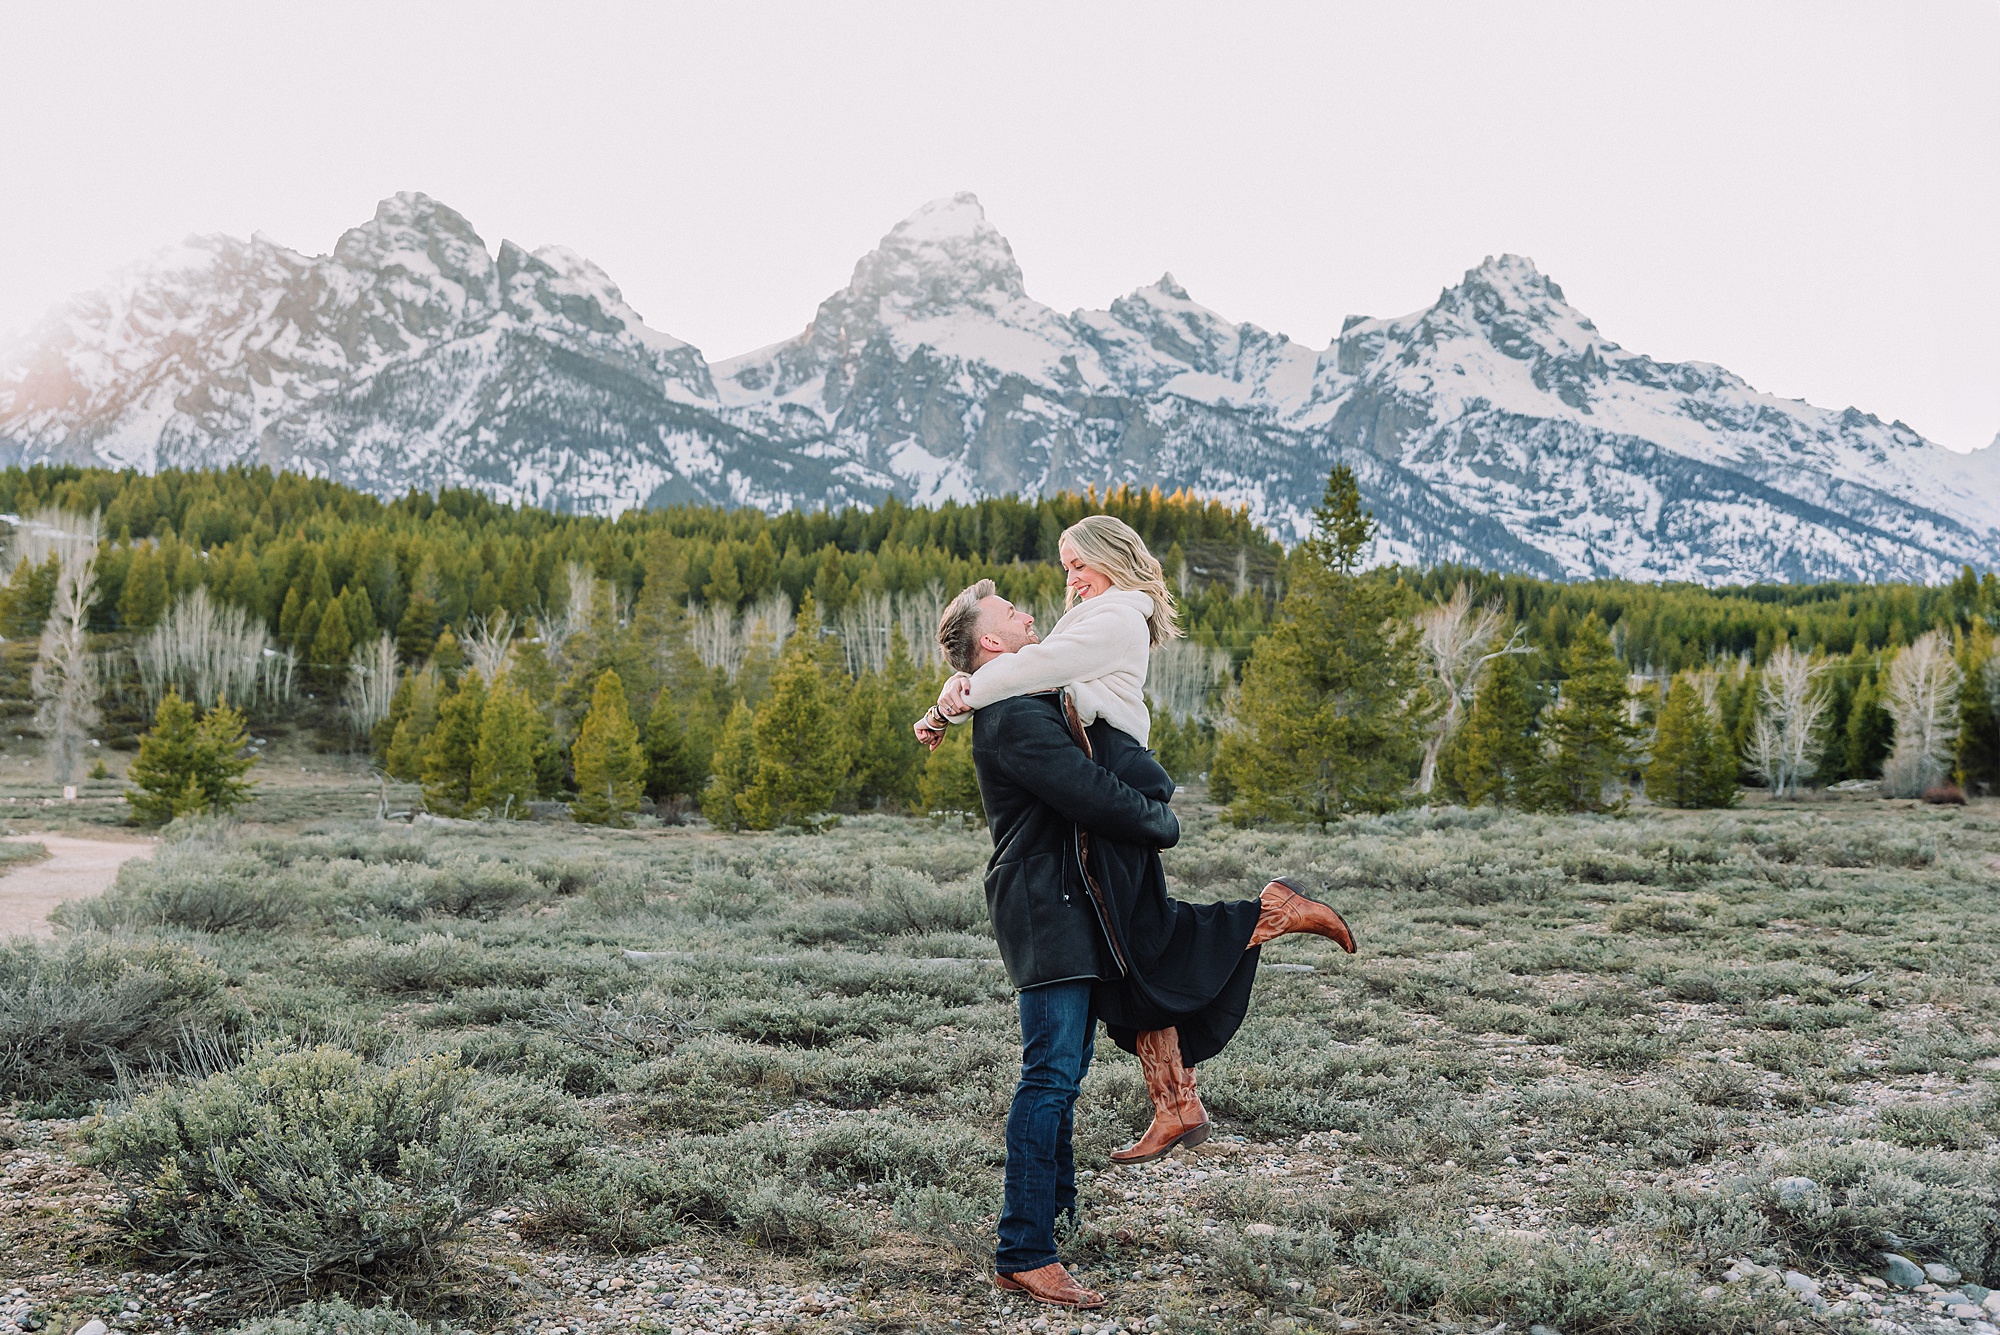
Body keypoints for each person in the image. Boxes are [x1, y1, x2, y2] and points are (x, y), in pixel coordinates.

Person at [917, 519, 1356, 1173]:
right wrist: (961, 687)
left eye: (1076, 564)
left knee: (1145, 940)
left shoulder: (1118, 614)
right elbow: (1048, 680)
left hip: (1118, 770)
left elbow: (1039, 669)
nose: (1068, 579)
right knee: (1133, 949)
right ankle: (1174, 1100)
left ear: (1106, 557)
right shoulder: (1097, 614)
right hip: (1112, 764)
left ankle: (1268, 912)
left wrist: (956, 700)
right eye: (1065, 566)